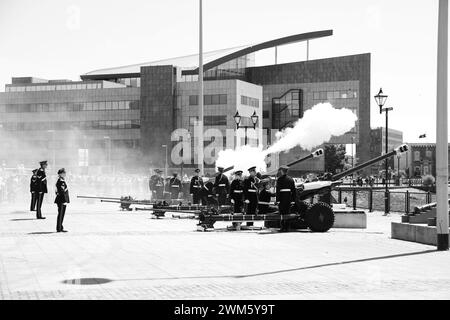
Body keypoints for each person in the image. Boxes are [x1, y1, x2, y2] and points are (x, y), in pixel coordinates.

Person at [276, 165, 296, 232]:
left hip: (281, 198)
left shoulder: (279, 179)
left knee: (281, 213)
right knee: (288, 213)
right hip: (288, 197)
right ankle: (287, 227)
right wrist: (293, 200)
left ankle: (282, 227)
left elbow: (278, 190)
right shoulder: (291, 179)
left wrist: (277, 200)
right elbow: (294, 190)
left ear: (282, 171)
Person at [55, 168, 70, 232]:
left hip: (61, 200)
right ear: (60, 174)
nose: (65, 174)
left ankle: (60, 227)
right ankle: (59, 228)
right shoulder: (61, 181)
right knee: (60, 214)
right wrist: (64, 200)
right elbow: (62, 192)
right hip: (61, 200)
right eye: (64, 173)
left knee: (61, 214)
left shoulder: (61, 181)